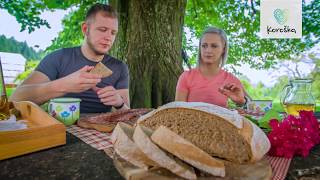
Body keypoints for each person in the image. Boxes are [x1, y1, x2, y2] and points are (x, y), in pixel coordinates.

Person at [10, 3, 129, 113]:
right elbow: (15, 99)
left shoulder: (119, 67)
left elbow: (127, 114)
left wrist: (119, 103)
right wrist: (63, 85)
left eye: (113, 32)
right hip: (60, 130)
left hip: (99, 132)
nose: (108, 37)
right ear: (85, 29)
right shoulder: (58, 58)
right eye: (102, 30)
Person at [175, 27, 247, 108]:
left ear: (223, 48)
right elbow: (178, 112)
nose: (208, 50)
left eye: (214, 46)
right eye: (204, 46)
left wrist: (242, 102)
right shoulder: (186, 77)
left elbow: (256, 110)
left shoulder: (231, 81)